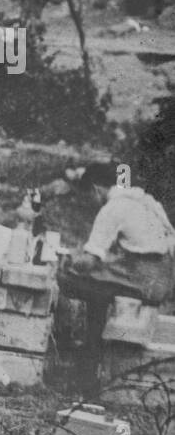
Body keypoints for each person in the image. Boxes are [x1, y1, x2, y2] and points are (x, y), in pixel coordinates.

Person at [58, 165, 175, 389]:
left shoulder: (113, 208)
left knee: (78, 286)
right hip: (163, 278)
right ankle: (91, 357)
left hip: (143, 280)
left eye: (90, 196)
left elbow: (90, 261)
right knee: (98, 287)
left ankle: (87, 368)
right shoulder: (144, 201)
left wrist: (67, 260)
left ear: (95, 189)